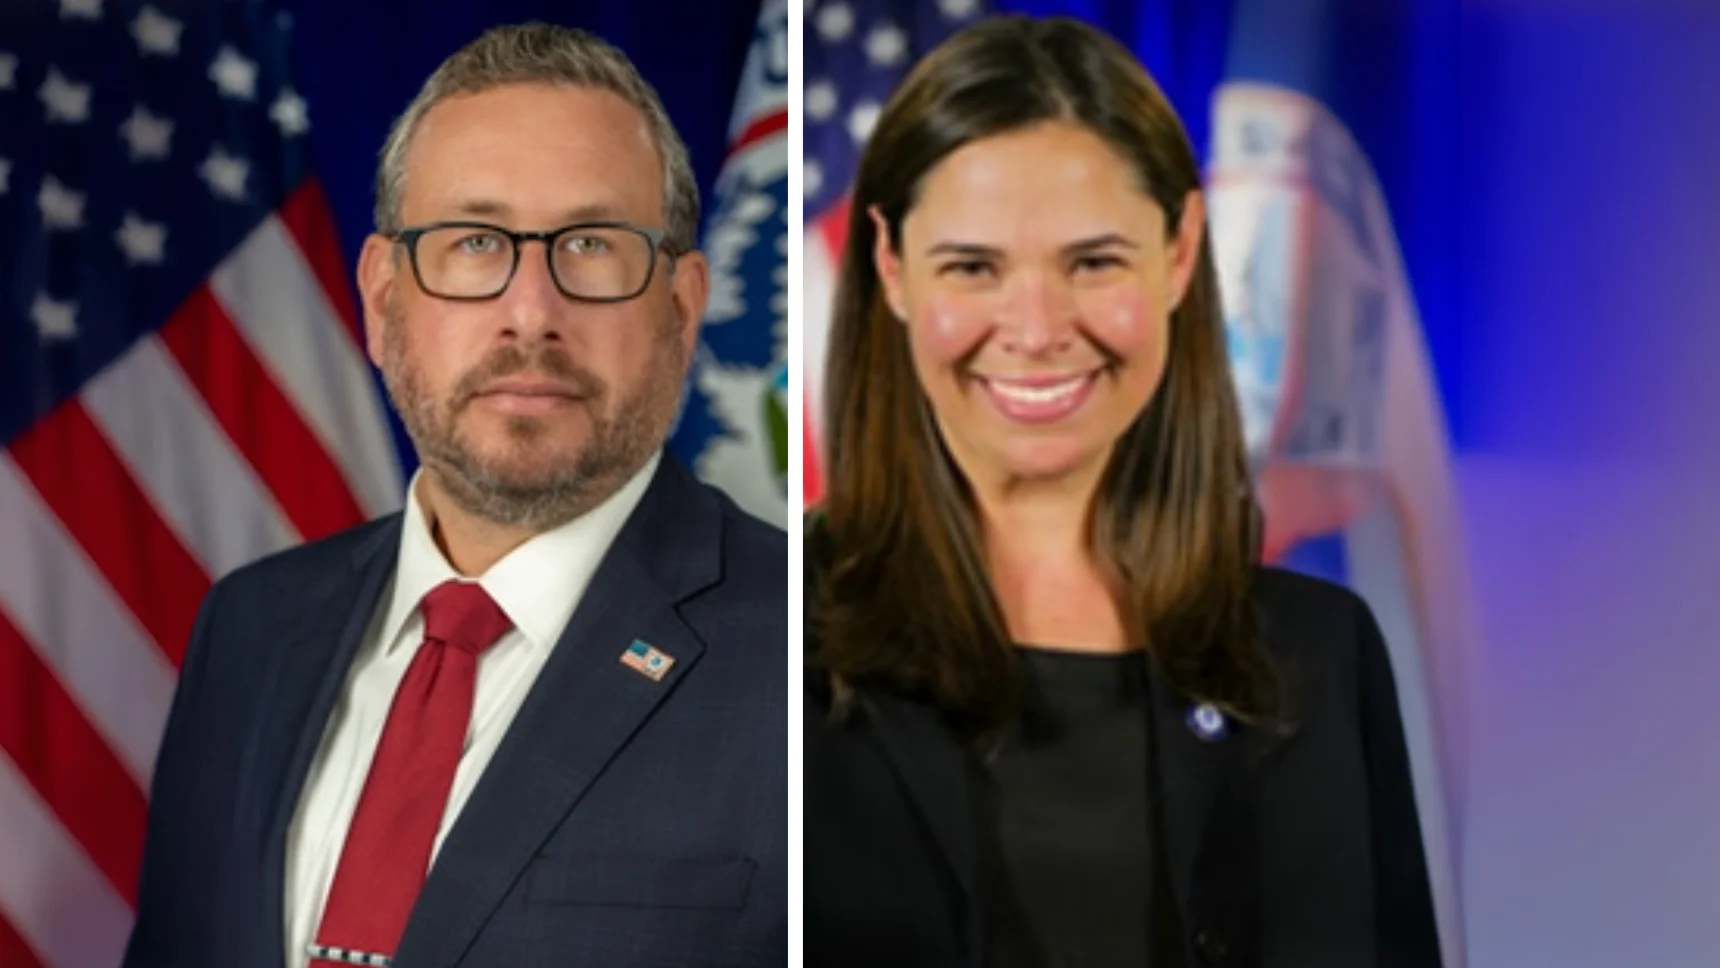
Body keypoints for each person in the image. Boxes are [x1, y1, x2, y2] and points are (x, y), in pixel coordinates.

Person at [124, 23, 785, 968]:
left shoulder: (814, 654)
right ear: (385, 301)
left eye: (592, 245)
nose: (531, 312)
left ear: (681, 310)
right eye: (476, 242)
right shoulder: (249, 629)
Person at [805, 15, 1439, 968]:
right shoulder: (760, 638)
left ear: (1181, 250)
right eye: (973, 267)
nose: (1036, 328)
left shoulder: (1326, 657)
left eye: (1093, 262)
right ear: (890, 266)